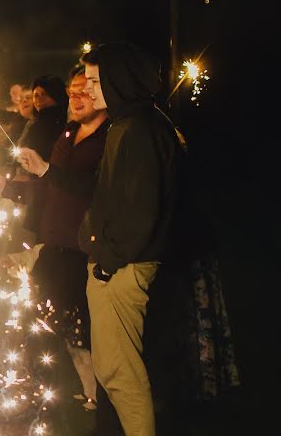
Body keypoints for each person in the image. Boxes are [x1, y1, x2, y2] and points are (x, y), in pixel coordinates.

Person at [75, 43, 182, 436]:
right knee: (112, 369)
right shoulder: (129, 124)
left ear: (119, 80)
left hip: (123, 268)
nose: (88, 90)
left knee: (122, 374)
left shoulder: (139, 130)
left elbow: (139, 212)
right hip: (116, 262)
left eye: (95, 81)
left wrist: (106, 260)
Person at [9, 65, 110, 412]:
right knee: (40, 316)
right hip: (54, 242)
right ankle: (41, 390)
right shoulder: (68, 132)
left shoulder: (110, 138)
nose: (77, 97)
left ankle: (97, 397)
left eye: (86, 89)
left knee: (78, 329)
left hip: (83, 247)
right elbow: (49, 183)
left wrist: (47, 170)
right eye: (73, 91)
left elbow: (93, 189)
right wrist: (8, 187)